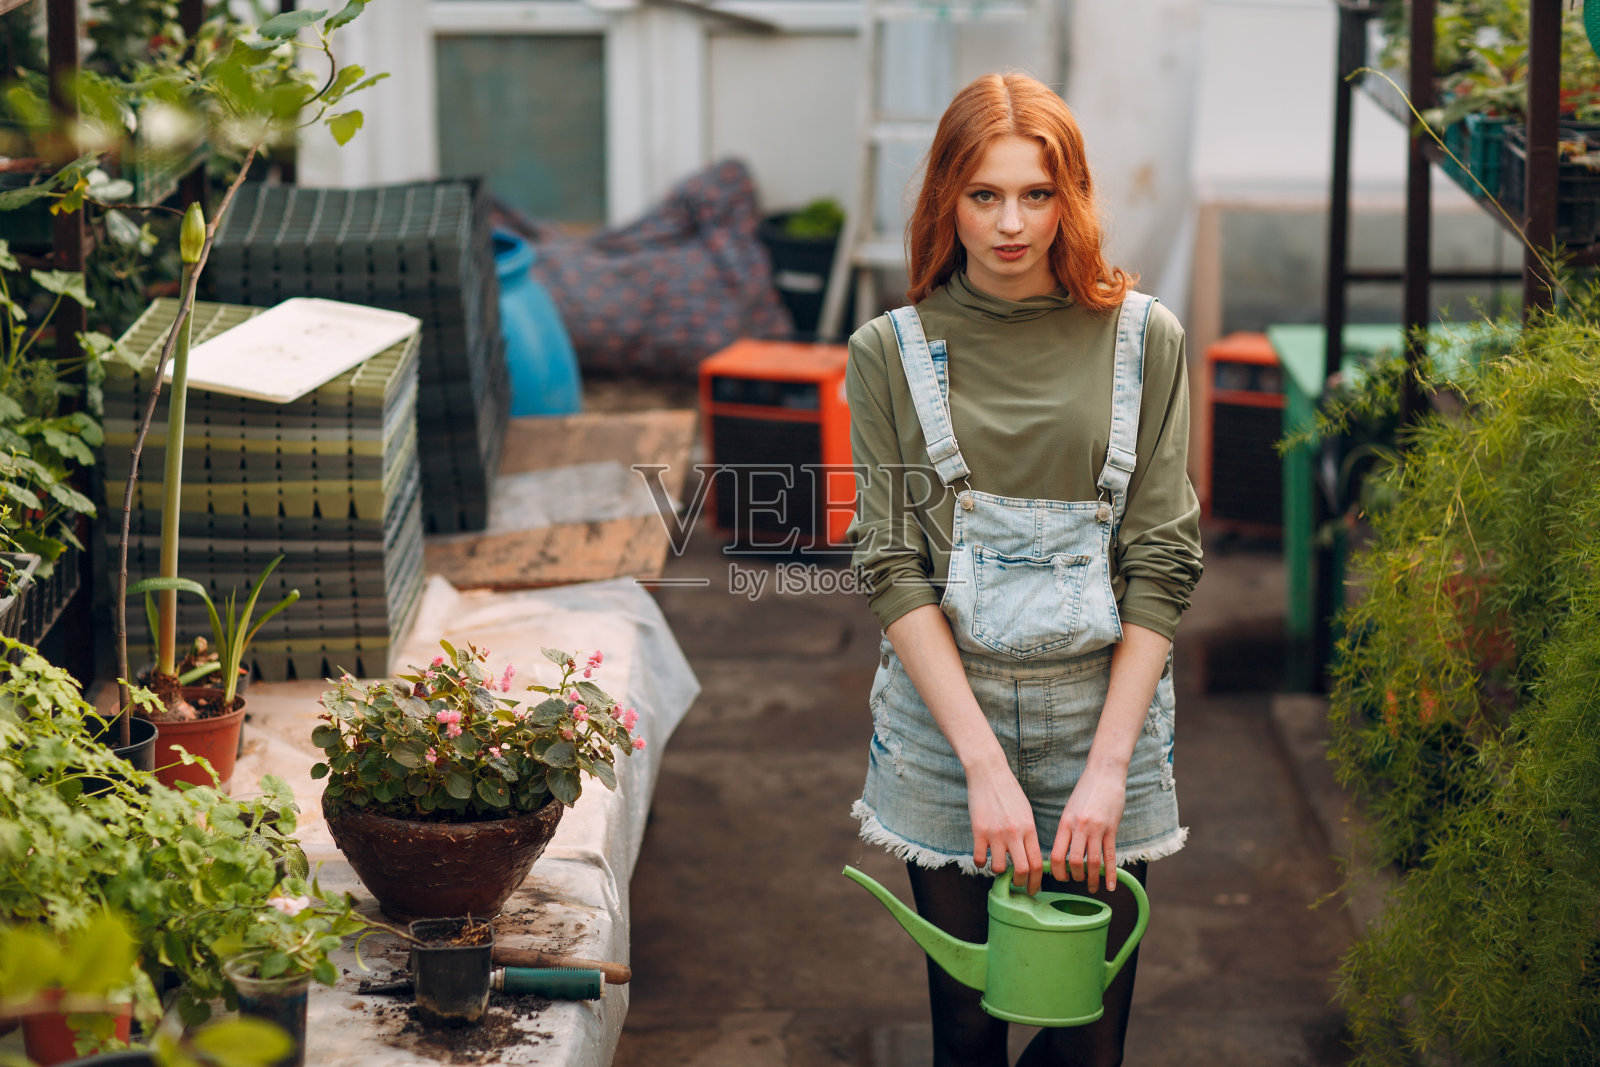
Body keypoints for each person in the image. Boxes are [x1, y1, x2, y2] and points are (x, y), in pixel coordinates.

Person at [846, 72, 1203, 1067]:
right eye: (984, 195)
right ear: (944, 199)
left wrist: (1103, 768)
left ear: (1070, 196)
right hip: (944, 723)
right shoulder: (888, 352)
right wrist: (984, 766)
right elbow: (893, 563)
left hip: (1106, 713)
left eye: (1036, 195)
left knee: (1086, 1031)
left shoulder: (1144, 338)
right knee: (967, 1023)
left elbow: (1163, 558)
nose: (1011, 223)